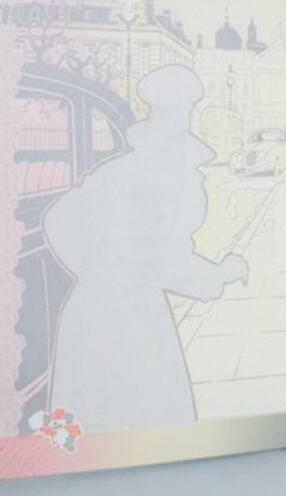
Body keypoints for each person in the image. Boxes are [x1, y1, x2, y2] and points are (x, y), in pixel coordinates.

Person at [45, 65, 248, 431]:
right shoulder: (168, 181)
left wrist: (94, 271)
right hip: (132, 320)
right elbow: (170, 262)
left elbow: (59, 219)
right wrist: (222, 273)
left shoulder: (118, 170)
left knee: (92, 422)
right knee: (148, 417)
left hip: (91, 312)